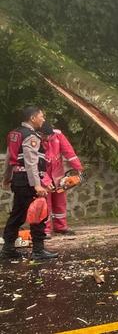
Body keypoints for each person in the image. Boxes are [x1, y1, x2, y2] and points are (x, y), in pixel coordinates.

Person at [1, 106, 58, 260]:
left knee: (17, 214)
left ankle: (7, 249)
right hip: (28, 181)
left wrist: (6, 178)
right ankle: (39, 251)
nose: (43, 119)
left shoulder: (15, 133)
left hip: (18, 180)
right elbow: (30, 163)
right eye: (41, 116)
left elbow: (9, 158)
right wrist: (37, 185)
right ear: (33, 118)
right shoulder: (31, 136)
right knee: (39, 213)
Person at [41, 122, 84, 236]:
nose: (47, 138)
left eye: (48, 136)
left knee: (60, 202)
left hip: (58, 175)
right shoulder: (35, 138)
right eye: (45, 136)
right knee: (46, 203)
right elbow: (35, 163)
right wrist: (45, 180)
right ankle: (45, 230)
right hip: (43, 174)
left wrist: (78, 168)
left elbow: (69, 152)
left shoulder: (58, 135)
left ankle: (61, 226)